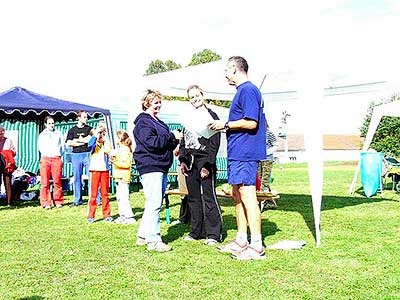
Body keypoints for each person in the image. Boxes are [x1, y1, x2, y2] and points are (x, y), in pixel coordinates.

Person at [208, 56, 267, 260]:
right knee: (237, 195)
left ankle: (257, 245)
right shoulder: (241, 92)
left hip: (246, 153)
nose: (225, 74)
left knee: (248, 195)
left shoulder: (249, 90)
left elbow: (252, 123)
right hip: (237, 153)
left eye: (227, 70)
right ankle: (241, 240)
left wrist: (226, 125)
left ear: (234, 68)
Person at [133, 89, 182, 252]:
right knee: (155, 203)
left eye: (160, 102)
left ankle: (142, 235)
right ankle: (153, 240)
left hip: (161, 165)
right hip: (150, 165)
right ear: (147, 103)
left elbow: (165, 143)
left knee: (152, 202)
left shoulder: (159, 122)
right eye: (155, 102)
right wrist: (171, 137)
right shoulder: (143, 122)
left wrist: (174, 141)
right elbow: (151, 142)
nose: (158, 105)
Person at [179, 85, 222, 246]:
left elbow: (214, 142)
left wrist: (207, 165)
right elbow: (184, 140)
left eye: (197, 95)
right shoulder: (188, 116)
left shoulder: (211, 115)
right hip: (190, 162)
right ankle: (196, 231)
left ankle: (213, 234)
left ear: (203, 95)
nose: (195, 99)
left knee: (209, 197)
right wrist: (182, 160)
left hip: (205, 161)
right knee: (193, 198)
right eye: (192, 97)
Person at [87, 122, 113, 223]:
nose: (100, 134)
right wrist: (95, 134)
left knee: (105, 193)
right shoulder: (93, 140)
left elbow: (108, 151)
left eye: (102, 132)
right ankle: (91, 215)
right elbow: (90, 145)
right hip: (95, 169)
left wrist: (104, 139)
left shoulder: (106, 141)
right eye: (99, 132)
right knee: (94, 194)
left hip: (104, 169)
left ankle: (107, 214)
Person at [38, 116, 66, 209]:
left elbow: (63, 147)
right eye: (49, 123)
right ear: (45, 124)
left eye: (53, 123)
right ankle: (46, 202)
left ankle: (58, 201)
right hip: (45, 158)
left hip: (56, 158)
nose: (51, 125)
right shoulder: (42, 135)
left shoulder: (58, 133)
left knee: (57, 181)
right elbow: (40, 147)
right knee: (45, 182)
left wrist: (58, 155)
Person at [66, 111, 92, 207]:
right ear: (79, 118)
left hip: (87, 154)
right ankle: (77, 200)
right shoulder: (72, 130)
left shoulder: (89, 129)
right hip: (76, 155)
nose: (86, 119)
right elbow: (69, 143)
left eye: (86, 117)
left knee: (91, 177)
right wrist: (82, 141)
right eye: (84, 117)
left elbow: (90, 140)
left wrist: (77, 140)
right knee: (77, 177)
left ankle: (94, 199)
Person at [110, 130, 136, 225]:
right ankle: (122, 215)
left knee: (124, 197)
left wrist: (115, 162)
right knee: (119, 197)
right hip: (118, 176)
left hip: (123, 177)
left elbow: (126, 164)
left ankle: (129, 216)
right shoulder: (120, 149)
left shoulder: (125, 150)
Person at [0, 125, 16, 206]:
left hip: (7, 164)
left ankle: (9, 201)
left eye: (3, 131)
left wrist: (9, 154)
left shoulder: (8, 140)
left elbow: (14, 151)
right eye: (0, 131)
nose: (1, 133)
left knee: (8, 182)